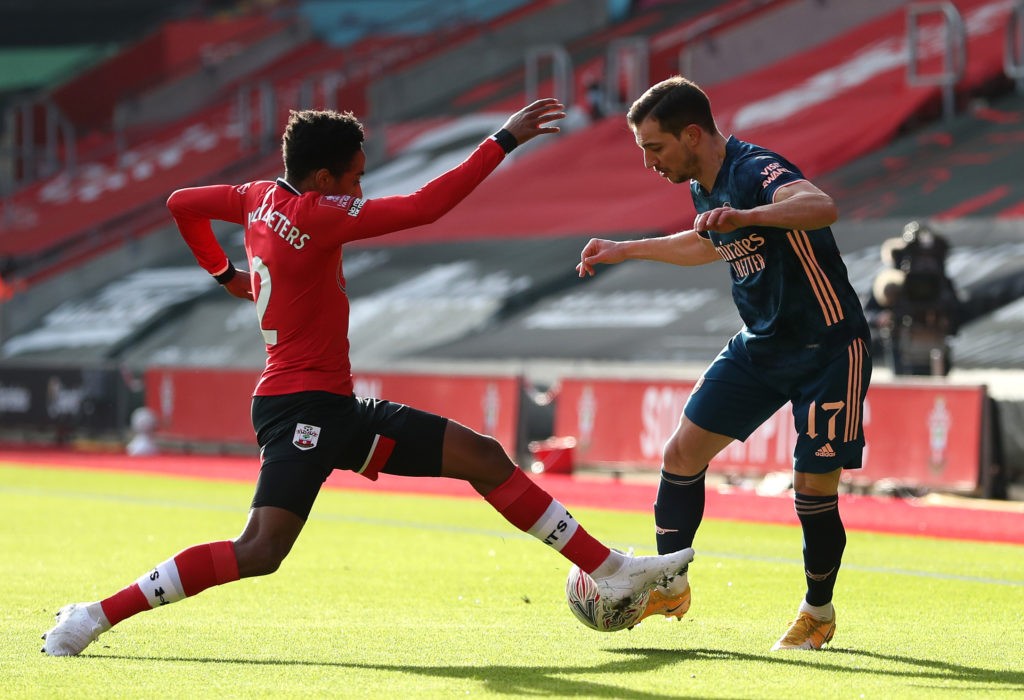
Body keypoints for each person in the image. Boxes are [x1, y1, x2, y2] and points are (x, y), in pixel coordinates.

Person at [41, 99, 694, 656]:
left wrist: (226, 278)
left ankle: (609, 571)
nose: (358, 189)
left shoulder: (255, 198)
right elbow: (425, 206)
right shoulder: (317, 215)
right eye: (353, 177)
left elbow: (181, 203)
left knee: (483, 456)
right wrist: (504, 140)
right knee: (261, 549)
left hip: (330, 406)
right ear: (323, 177)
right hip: (300, 408)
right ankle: (92, 617)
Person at [576, 76, 872, 651]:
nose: (648, 163)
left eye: (654, 148)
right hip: (762, 345)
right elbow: (704, 243)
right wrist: (626, 248)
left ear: (692, 134)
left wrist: (749, 216)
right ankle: (669, 580)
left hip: (828, 348)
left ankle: (818, 610)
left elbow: (821, 205)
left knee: (812, 486)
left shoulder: (755, 169)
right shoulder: (704, 184)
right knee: (680, 454)